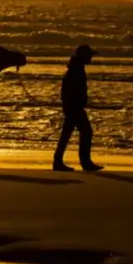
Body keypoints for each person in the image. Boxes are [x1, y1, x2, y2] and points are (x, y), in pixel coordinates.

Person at [54, 44, 102, 172]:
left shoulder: (76, 67)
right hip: (74, 107)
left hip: (72, 106)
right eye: (89, 55)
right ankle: (85, 162)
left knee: (67, 134)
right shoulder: (76, 69)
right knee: (86, 132)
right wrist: (73, 104)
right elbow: (70, 89)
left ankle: (58, 161)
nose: (91, 58)